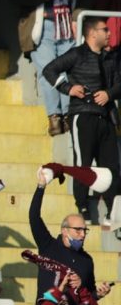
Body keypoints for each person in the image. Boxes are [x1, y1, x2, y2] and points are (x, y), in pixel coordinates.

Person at [10, 0, 89, 135]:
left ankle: (68, 115)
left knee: (69, 72)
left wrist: (76, 17)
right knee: (48, 72)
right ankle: (54, 116)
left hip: (68, 26)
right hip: (41, 26)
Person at [42, 16, 120, 224]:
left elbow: (119, 83)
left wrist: (109, 94)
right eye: (105, 30)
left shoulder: (110, 57)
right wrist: (67, 88)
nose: (109, 33)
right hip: (83, 116)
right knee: (83, 164)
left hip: (106, 118)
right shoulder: (77, 54)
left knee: (111, 165)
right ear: (92, 33)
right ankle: (83, 208)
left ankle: (112, 211)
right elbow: (49, 70)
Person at [30, 167, 110, 297]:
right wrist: (41, 187)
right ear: (64, 231)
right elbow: (34, 217)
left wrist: (99, 294)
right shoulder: (48, 246)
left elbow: (89, 296)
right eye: (78, 230)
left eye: (85, 230)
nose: (83, 235)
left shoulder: (87, 260)